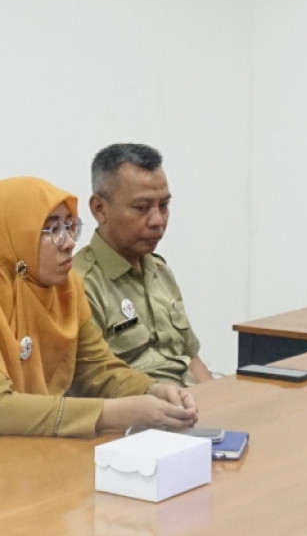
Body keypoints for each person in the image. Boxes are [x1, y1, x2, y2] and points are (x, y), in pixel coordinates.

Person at [0, 177, 198, 463]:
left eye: (70, 226)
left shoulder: (64, 287)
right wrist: (112, 413)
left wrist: (151, 390)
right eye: (51, 230)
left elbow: (99, 368)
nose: (69, 242)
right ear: (11, 234)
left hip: (18, 462)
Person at [73, 144, 213, 387]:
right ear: (99, 209)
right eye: (142, 208)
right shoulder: (80, 285)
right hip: (144, 417)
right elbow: (96, 386)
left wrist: (219, 402)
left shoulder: (158, 270)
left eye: (164, 206)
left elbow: (191, 357)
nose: (158, 221)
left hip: (192, 407)